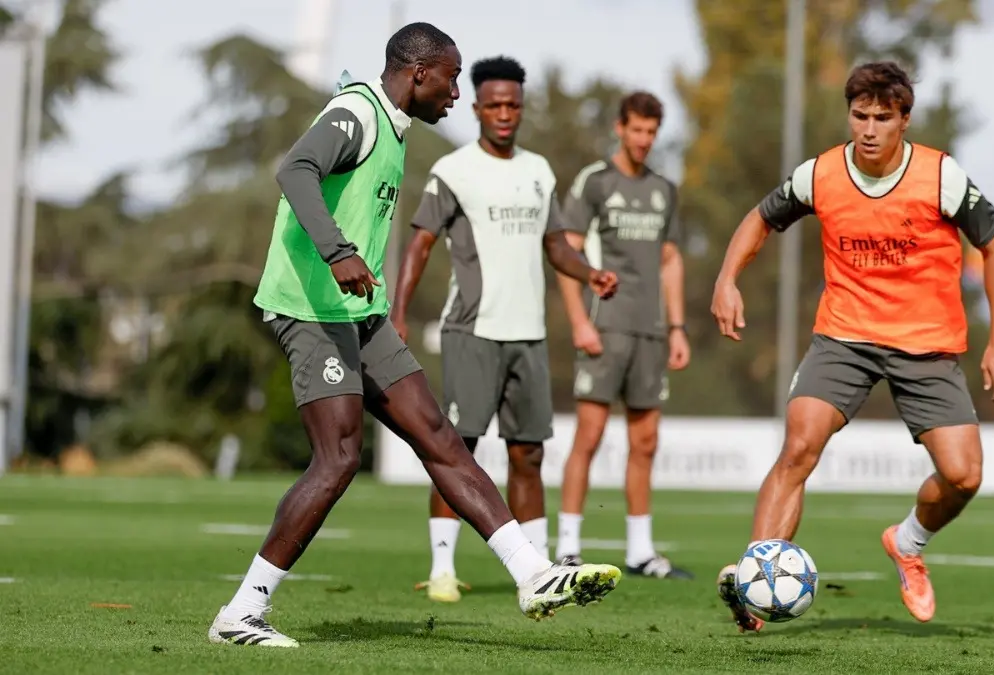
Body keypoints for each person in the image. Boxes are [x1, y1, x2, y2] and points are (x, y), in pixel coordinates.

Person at [208, 27, 621, 648]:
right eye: (452, 79)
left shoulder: (394, 127)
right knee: (340, 457)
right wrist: (338, 253)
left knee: (441, 438)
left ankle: (532, 572)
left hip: (359, 315)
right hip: (312, 311)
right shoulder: (357, 114)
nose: (458, 92)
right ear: (419, 73)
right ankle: (241, 612)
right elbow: (294, 169)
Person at [710, 61, 994, 631]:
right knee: (799, 447)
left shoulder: (941, 176)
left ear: (905, 119)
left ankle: (907, 543)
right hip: (843, 337)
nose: (869, 129)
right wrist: (727, 279)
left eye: (882, 117)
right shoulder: (821, 173)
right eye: (859, 116)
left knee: (964, 476)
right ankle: (757, 583)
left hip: (925, 345)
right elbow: (758, 219)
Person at [390, 55, 621, 604]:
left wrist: (590, 273)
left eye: (512, 105)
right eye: (493, 105)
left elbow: (555, 245)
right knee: (457, 449)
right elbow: (420, 243)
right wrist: (397, 313)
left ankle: (536, 572)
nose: (503, 113)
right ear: (476, 108)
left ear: (522, 107)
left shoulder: (539, 171)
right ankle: (442, 568)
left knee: (528, 455)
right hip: (472, 332)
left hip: (529, 336)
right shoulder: (454, 170)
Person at [551, 92, 693, 580]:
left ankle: (640, 552)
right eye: (636, 130)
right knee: (588, 436)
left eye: (652, 132)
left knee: (646, 441)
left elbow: (671, 261)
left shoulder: (664, 190)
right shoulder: (595, 182)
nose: (644, 140)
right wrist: (579, 321)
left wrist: (677, 327)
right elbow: (568, 257)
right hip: (604, 326)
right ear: (620, 128)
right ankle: (568, 547)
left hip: (650, 332)